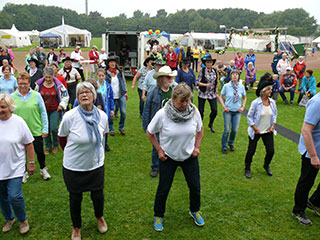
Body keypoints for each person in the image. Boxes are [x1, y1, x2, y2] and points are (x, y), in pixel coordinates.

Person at [146, 83, 205, 232]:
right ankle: (158, 215)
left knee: (195, 187)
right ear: (173, 99)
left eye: (187, 101)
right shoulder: (162, 114)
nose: (185, 104)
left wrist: (197, 147)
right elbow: (150, 132)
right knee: (164, 189)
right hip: (168, 158)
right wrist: (159, 150)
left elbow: (200, 129)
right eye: (181, 101)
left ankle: (195, 210)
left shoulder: (194, 111)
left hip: (189, 157)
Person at [58, 82, 109, 239]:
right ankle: (76, 227)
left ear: (94, 96)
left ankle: (99, 217)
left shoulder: (102, 116)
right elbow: (61, 138)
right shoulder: (69, 117)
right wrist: (72, 153)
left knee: (97, 196)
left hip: (95, 165)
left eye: (88, 92)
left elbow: (103, 136)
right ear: (77, 98)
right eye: (81, 93)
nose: (84, 95)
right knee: (75, 198)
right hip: (74, 166)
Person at [0, 93, 35, 234]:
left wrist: (31, 162)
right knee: (2, 197)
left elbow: (29, 143)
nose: (0, 110)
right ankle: (9, 218)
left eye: (3, 107)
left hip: (15, 166)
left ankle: (22, 220)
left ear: (10, 107)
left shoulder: (19, 122)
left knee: (14, 196)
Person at [11, 72, 50, 182]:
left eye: (25, 83)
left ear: (29, 83)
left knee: (39, 152)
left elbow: (43, 112)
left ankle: (43, 169)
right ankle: (23, 172)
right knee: (21, 153)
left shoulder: (36, 96)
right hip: (18, 131)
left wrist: (45, 128)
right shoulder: (12, 97)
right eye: (20, 83)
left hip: (35, 129)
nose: (22, 86)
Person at [292, 91, 320, 226]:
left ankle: (315, 201)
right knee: (306, 181)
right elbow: (306, 130)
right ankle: (298, 210)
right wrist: (314, 156)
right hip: (312, 151)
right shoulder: (317, 103)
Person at [143, 66, 176, 178]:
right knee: (156, 145)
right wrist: (146, 126)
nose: (170, 79)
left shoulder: (175, 91)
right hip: (158, 125)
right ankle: (155, 167)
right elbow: (147, 109)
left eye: (171, 77)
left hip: (172, 124)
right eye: (168, 77)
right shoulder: (153, 92)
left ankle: (171, 164)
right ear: (161, 79)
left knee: (171, 144)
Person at [244, 75, 277, 178]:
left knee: (271, 151)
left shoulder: (272, 103)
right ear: (263, 91)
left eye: (271, 89)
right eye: (269, 90)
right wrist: (255, 128)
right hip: (256, 131)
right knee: (251, 150)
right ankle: (247, 168)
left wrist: (273, 126)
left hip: (268, 131)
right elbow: (249, 116)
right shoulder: (255, 103)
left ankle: (266, 165)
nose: (270, 91)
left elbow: (274, 115)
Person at [35, 67, 69, 155]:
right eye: (46, 77)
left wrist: (61, 105)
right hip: (43, 111)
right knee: (46, 129)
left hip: (55, 110)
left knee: (54, 128)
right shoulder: (39, 85)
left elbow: (65, 96)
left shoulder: (58, 85)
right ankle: (48, 146)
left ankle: (56, 145)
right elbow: (35, 96)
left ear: (53, 76)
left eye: (50, 77)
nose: (48, 79)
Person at [219, 69, 247, 154]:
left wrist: (243, 107)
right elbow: (221, 96)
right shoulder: (226, 86)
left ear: (239, 76)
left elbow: (244, 98)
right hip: (228, 111)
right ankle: (224, 146)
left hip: (237, 111)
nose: (234, 76)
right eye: (233, 74)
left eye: (236, 74)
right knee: (227, 130)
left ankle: (230, 143)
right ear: (230, 76)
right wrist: (224, 106)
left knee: (234, 130)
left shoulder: (241, 87)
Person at [105, 56, 128, 136]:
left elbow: (124, 82)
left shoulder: (119, 72)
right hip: (110, 96)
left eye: (114, 62)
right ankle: (111, 128)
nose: (113, 63)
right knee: (110, 113)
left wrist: (126, 92)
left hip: (121, 94)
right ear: (108, 64)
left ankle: (121, 127)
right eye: (111, 62)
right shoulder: (105, 73)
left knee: (123, 112)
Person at [196, 55, 218, 133]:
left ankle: (210, 124)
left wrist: (216, 90)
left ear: (212, 63)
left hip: (212, 94)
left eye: (210, 62)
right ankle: (199, 126)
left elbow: (216, 82)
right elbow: (197, 82)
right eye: (207, 62)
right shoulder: (202, 71)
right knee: (201, 111)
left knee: (215, 110)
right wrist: (206, 85)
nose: (209, 64)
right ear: (205, 63)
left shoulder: (215, 71)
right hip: (202, 93)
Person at [96, 69, 114, 152]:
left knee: (105, 126)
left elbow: (111, 98)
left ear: (105, 76)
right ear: (97, 76)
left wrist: (112, 109)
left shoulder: (108, 86)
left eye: (102, 76)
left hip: (105, 108)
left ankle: (105, 143)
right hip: (96, 108)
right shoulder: (94, 85)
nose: (101, 77)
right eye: (99, 76)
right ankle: (97, 142)